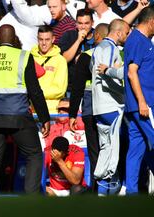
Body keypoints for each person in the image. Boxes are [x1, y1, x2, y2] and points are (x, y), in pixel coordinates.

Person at [0, 24, 50, 194]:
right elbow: (35, 91)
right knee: (34, 154)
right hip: (19, 116)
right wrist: (44, 118)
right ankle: (31, 200)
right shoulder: (23, 56)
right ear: (13, 39)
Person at [91, 19, 130, 195]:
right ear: (119, 32)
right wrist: (123, 91)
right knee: (113, 153)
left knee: (106, 150)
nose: (128, 36)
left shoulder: (97, 49)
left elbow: (94, 70)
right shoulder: (110, 48)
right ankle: (111, 192)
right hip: (111, 105)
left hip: (99, 106)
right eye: (127, 32)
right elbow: (103, 72)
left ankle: (101, 194)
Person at [68, 23, 109, 192]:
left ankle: (96, 190)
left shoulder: (87, 56)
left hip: (91, 110)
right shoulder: (119, 54)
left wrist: (72, 114)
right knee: (113, 150)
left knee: (95, 152)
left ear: (97, 37)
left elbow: (77, 87)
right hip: (114, 112)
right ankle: (115, 186)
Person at [123, 6, 154, 195]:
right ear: (151, 22)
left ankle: (132, 194)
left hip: (137, 106)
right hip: (145, 105)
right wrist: (142, 102)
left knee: (136, 150)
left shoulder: (140, 40)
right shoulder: (138, 40)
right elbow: (132, 73)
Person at [31, 25, 68, 114]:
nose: (44, 43)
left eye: (47, 39)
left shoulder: (60, 60)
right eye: (41, 39)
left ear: (53, 39)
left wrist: (35, 94)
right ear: (37, 39)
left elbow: (60, 89)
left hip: (52, 112)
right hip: (33, 111)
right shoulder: (30, 58)